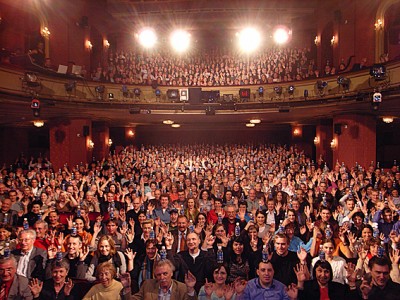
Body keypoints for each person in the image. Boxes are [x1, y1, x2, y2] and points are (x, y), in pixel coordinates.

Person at [131, 259, 197, 300]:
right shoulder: (147, 285)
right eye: (159, 275)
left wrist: (190, 289)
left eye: (165, 274)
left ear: (171, 273)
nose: (162, 278)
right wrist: (127, 287)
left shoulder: (182, 288)